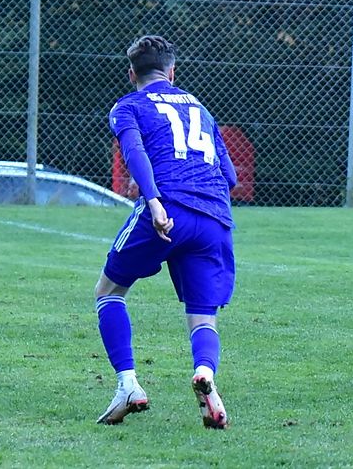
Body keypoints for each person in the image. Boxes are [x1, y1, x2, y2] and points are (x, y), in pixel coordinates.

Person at [93, 35, 238, 428]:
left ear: (131, 74)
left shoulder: (128, 106)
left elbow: (134, 152)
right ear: (172, 72)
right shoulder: (200, 108)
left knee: (108, 292)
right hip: (214, 217)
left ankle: (128, 385)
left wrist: (155, 201)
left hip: (168, 208)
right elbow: (230, 175)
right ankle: (205, 374)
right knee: (203, 316)